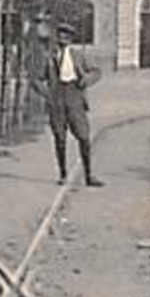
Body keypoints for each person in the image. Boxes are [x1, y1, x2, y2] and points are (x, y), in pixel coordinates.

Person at [29, 21, 104, 186]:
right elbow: (35, 79)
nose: (64, 39)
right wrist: (47, 94)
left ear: (71, 39)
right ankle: (63, 174)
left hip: (75, 96)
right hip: (56, 98)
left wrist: (85, 80)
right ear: (57, 37)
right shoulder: (49, 57)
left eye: (67, 36)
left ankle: (89, 175)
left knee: (84, 136)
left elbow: (97, 72)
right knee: (60, 138)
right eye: (61, 35)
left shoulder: (79, 56)